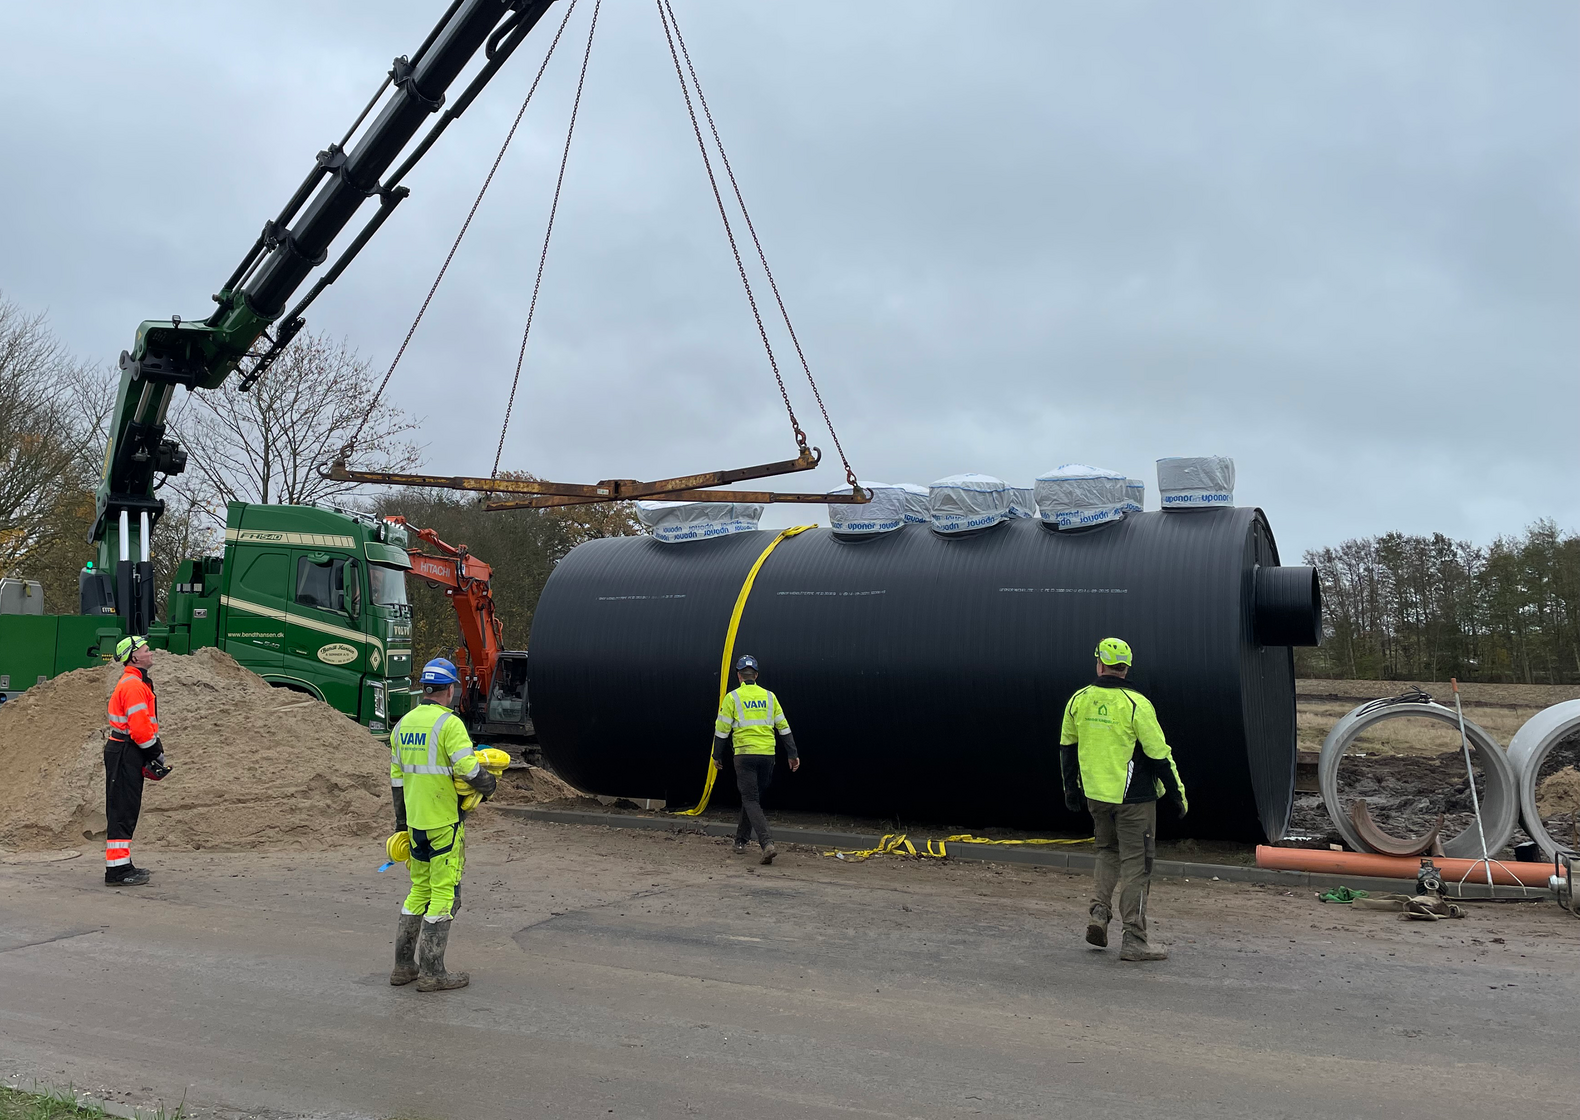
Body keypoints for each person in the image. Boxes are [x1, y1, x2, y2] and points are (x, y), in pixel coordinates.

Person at [1059, 638, 1187, 962]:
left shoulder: (1078, 700)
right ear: (1126, 669)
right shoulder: (1136, 704)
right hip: (1134, 801)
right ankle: (1135, 939)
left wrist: (1071, 791)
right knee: (1137, 865)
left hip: (1096, 797)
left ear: (1099, 664)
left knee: (1106, 852)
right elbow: (1160, 755)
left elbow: (1067, 750)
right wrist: (1177, 795)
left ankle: (1098, 913)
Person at [388, 657, 496, 992]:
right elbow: (467, 768)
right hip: (444, 823)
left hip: (415, 823)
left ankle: (403, 966)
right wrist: (489, 785)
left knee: (419, 889)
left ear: (424, 688)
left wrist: (402, 824)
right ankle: (433, 972)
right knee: (444, 894)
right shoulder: (450, 725)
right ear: (450, 690)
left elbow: (397, 781)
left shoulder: (402, 726)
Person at [712, 654, 798, 865]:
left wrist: (716, 755)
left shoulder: (732, 698)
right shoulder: (770, 697)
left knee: (750, 799)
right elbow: (783, 727)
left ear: (739, 676)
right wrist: (792, 754)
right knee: (752, 798)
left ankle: (767, 843)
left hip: (744, 755)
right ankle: (740, 841)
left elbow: (722, 730)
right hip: (767, 755)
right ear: (756, 675)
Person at [104, 635, 172, 886]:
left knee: (125, 809)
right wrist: (154, 752)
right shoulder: (133, 685)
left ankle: (122, 865)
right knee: (122, 811)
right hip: (126, 750)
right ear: (134, 657)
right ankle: (117, 872)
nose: (150, 652)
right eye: (146, 650)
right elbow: (140, 728)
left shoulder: (136, 682)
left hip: (126, 749)